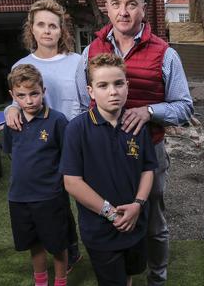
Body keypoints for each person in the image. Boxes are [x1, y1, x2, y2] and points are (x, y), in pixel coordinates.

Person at [74, 0, 194, 286]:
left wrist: (150, 111)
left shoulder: (165, 54)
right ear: (106, 9)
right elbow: (79, 103)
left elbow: (185, 107)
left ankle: (157, 278)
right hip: (100, 154)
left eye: (131, 4)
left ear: (143, 8)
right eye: (116, 4)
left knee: (152, 222)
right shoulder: (90, 52)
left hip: (147, 154)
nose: (123, 12)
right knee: (107, 214)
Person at [62, 53, 157, 286]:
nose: (113, 91)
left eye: (118, 83)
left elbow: (148, 168)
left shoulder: (137, 125)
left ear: (128, 85)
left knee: (129, 276)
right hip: (101, 231)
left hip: (136, 224)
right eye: (103, 85)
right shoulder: (77, 129)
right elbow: (72, 182)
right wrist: (111, 213)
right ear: (91, 91)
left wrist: (138, 204)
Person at [5, 0, 81, 267]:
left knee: (72, 199)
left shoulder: (77, 63)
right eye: (41, 25)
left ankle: (76, 246)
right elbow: (18, 99)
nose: (47, 30)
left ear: (62, 31)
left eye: (53, 25)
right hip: (41, 145)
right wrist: (9, 110)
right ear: (32, 29)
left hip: (71, 140)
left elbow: (85, 103)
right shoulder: (21, 65)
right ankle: (68, 249)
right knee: (52, 201)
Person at [2, 64, 70, 286]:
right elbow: (13, 154)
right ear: (13, 96)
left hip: (50, 197)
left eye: (34, 94)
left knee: (58, 244)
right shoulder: (12, 123)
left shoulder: (58, 120)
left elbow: (68, 157)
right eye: (21, 95)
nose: (29, 100)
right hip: (19, 197)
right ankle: (40, 281)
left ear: (43, 91)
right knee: (34, 243)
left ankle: (60, 281)